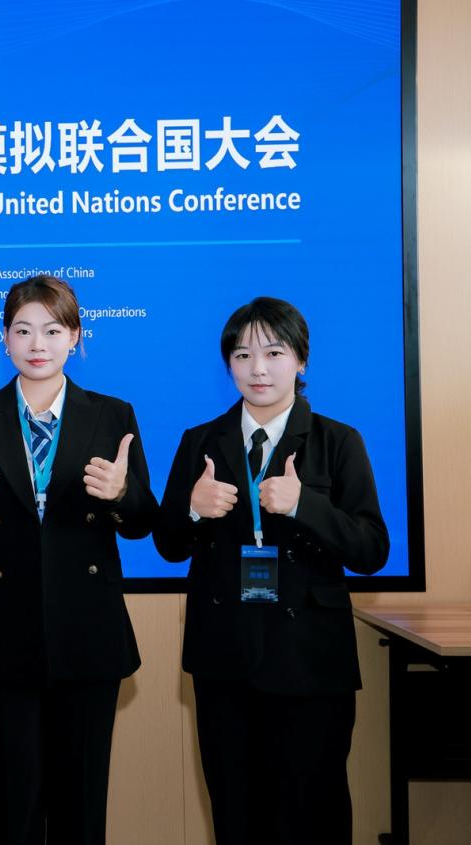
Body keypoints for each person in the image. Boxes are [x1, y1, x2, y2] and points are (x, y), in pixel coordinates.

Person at [153, 297, 389, 845]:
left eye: (274, 353)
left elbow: (371, 550)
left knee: (313, 813)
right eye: (242, 355)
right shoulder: (199, 442)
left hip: (311, 662)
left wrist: (306, 505)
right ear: (228, 364)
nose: (258, 369)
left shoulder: (337, 441)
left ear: (301, 360)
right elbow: (167, 544)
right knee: (236, 815)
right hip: (225, 661)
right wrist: (193, 509)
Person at [0, 275, 157, 845]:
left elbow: (142, 522)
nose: (38, 344)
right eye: (23, 330)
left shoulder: (112, 415)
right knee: (10, 810)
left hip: (88, 635)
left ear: (76, 337)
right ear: (4, 339)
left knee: (82, 811)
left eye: (53, 331)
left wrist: (121, 494)